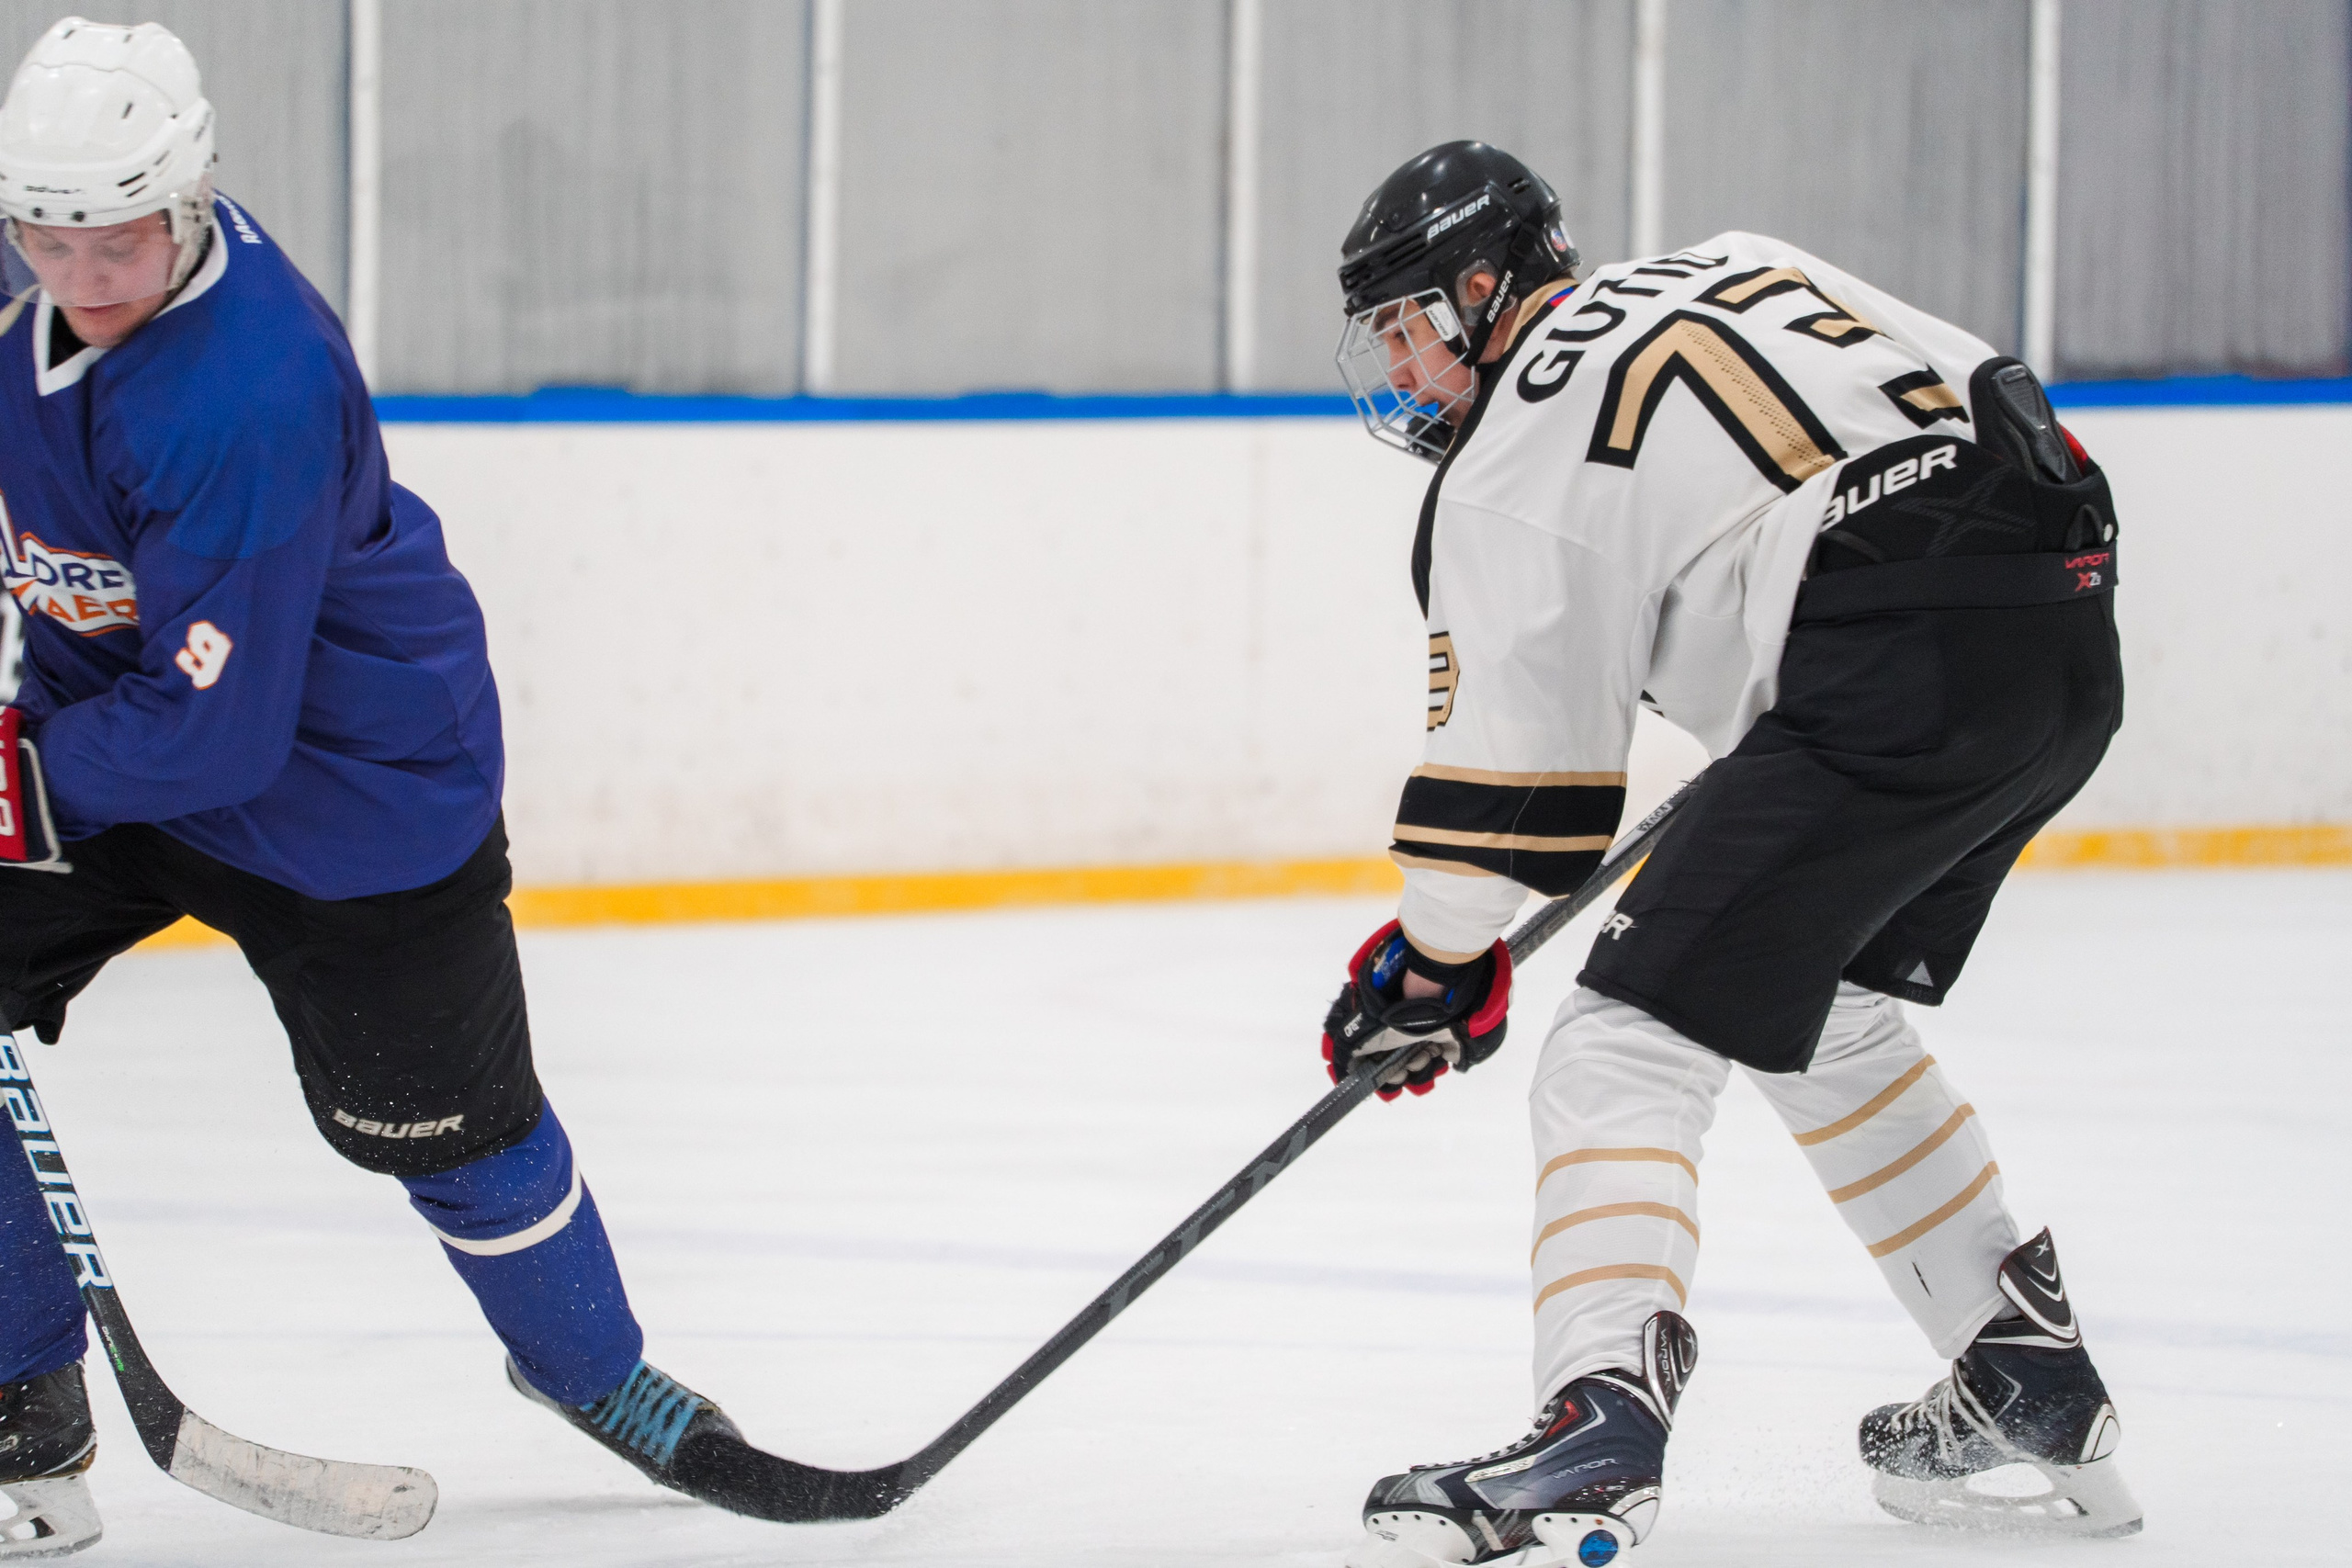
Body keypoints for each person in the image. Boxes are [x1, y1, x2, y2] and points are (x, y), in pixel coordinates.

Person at [0, 19, 777, 1553]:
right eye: (49, 235)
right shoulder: (45, 279)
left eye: (124, 236)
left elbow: (219, 736)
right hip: (105, 761)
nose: (87, 275)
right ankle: (24, 1397)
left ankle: (593, 1373)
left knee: (457, 1139)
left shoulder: (244, 390)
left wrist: (16, 776)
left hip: (345, 794)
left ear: (197, 192)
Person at [1316, 141, 2135, 1566]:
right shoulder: (1737, 260)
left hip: (1894, 660)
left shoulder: (1515, 446)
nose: (1400, 369)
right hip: (2062, 623)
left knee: (1618, 1044)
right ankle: (2026, 1377)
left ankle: (1597, 1430)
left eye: (1407, 327)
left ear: (1484, 287)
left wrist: (1431, 969)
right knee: (1819, 1007)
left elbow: (1515, 800)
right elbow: (1979, 401)